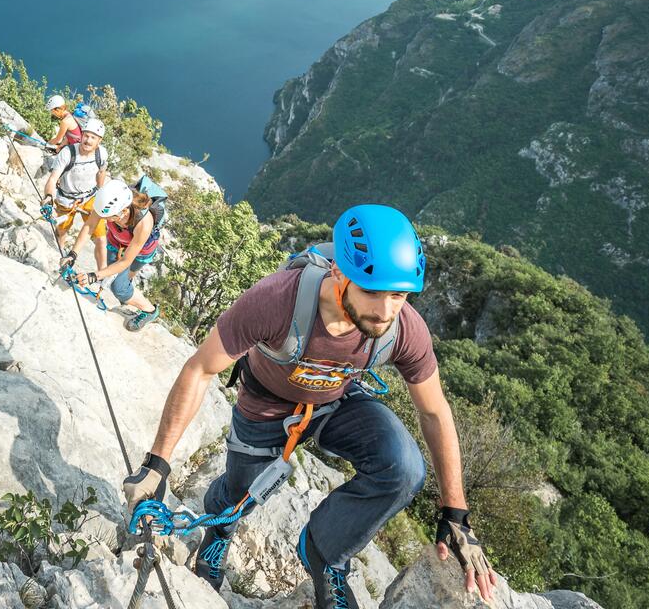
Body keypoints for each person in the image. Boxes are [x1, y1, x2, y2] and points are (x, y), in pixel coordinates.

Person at [121, 204, 497, 609]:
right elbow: (199, 369)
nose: (386, 311)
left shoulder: (403, 328)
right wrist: (157, 464)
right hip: (266, 400)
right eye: (372, 291)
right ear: (338, 271)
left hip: (336, 398)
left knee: (403, 468)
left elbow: (435, 411)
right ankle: (219, 533)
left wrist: (456, 513)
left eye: (399, 294)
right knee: (240, 490)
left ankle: (324, 551)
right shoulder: (276, 302)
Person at [61, 178, 162, 332]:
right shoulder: (106, 204)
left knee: (119, 287)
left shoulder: (144, 222)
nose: (105, 220)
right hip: (117, 241)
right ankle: (128, 291)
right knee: (120, 279)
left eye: (110, 218)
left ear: (124, 211)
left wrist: (95, 276)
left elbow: (126, 261)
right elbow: (90, 226)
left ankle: (150, 311)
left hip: (141, 251)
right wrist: (72, 254)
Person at [41, 118, 109, 262]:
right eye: (86, 136)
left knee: (101, 237)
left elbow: (101, 172)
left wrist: (101, 191)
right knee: (62, 231)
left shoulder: (101, 154)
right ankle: (59, 256)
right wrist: (48, 197)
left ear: (99, 141)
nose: (88, 140)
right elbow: (53, 179)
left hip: (90, 197)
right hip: (66, 198)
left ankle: (101, 276)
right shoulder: (67, 153)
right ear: (81, 135)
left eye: (93, 137)